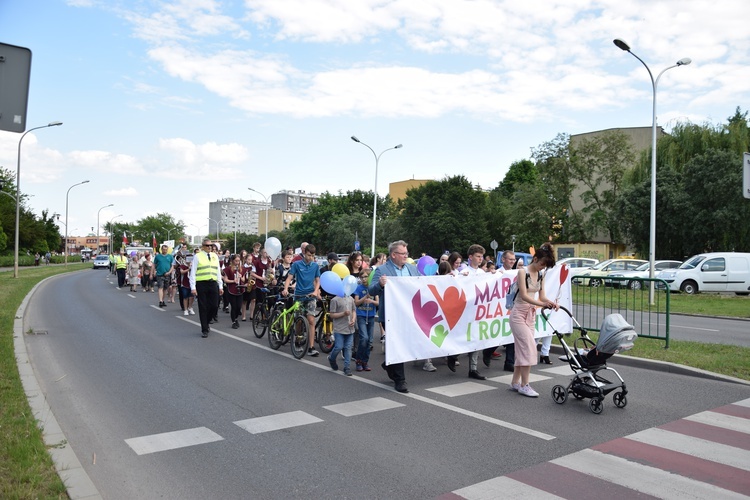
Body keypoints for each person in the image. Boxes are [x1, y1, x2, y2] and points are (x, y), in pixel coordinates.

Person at [368, 240, 419, 393]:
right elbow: (372, 290)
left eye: (406, 253)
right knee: (398, 345)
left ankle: (389, 363)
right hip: (391, 315)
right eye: (403, 254)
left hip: (410, 314)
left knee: (408, 344)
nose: (406, 256)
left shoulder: (412, 268)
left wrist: (451, 278)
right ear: (393, 255)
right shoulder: (382, 270)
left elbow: (425, 282)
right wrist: (380, 284)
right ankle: (400, 380)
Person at [509, 243, 558, 397]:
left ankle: (516, 382)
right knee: (529, 348)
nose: (542, 268)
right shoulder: (523, 272)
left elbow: (542, 296)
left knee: (523, 349)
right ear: (535, 259)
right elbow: (524, 295)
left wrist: (551, 302)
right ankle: (525, 385)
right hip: (518, 314)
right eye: (542, 264)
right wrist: (542, 304)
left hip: (530, 315)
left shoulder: (541, 275)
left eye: (545, 266)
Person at [447, 244, 487, 380]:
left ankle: (473, 369)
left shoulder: (483, 273)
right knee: (462, 336)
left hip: (478, 311)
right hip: (465, 311)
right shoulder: (464, 271)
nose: (480, 259)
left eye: (482, 256)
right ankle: (452, 355)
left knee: (476, 338)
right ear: (470, 257)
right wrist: (457, 277)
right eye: (478, 256)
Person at [282, 243, 321, 356]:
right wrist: (285, 289)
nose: (311, 258)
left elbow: (318, 280)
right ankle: (298, 342)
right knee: (299, 320)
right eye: (309, 255)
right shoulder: (297, 265)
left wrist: (315, 291)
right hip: (299, 295)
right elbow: (289, 278)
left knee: (311, 320)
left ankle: (311, 347)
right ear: (304, 253)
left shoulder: (315, 266)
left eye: (313, 256)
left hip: (310, 296)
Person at [189, 238, 223, 338]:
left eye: (211, 245)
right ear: (203, 247)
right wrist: (193, 287)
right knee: (203, 307)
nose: (209, 247)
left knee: (214, 306)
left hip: (213, 283)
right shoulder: (197, 256)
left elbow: (218, 272)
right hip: (201, 283)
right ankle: (204, 329)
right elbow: (193, 273)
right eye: (207, 245)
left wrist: (220, 285)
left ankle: (207, 321)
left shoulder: (214, 256)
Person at [353, 268, 378, 372]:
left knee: (369, 341)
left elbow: (378, 302)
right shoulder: (359, 288)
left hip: (371, 316)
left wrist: (371, 300)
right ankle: (358, 360)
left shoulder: (373, 288)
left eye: (365, 277)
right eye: (361, 277)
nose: (363, 279)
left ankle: (365, 361)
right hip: (361, 316)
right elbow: (356, 302)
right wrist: (365, 297)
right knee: (364, 338)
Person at [327, 290, 357, 375]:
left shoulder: (350, 298)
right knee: (339, 346)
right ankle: (332, 358)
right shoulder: (335, 300)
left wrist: (353, 319)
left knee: (348, 347)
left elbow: (354, 310)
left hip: (350, 328)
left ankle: (347, 367)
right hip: (339, 328)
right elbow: (332, 315)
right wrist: (343, 313)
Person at [222, 254, 247, 329]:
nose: (237, 262)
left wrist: (240, 277)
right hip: (231, 289)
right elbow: (225, 279)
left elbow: (243, 279)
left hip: (240, 289)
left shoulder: (242, 268)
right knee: (234, 306)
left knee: (238, 307)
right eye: (236, 261)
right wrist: (233, 280)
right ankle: (234, 321)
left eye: (238, 261)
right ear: (232, 261)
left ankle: (236, 318)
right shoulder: (229, 269)